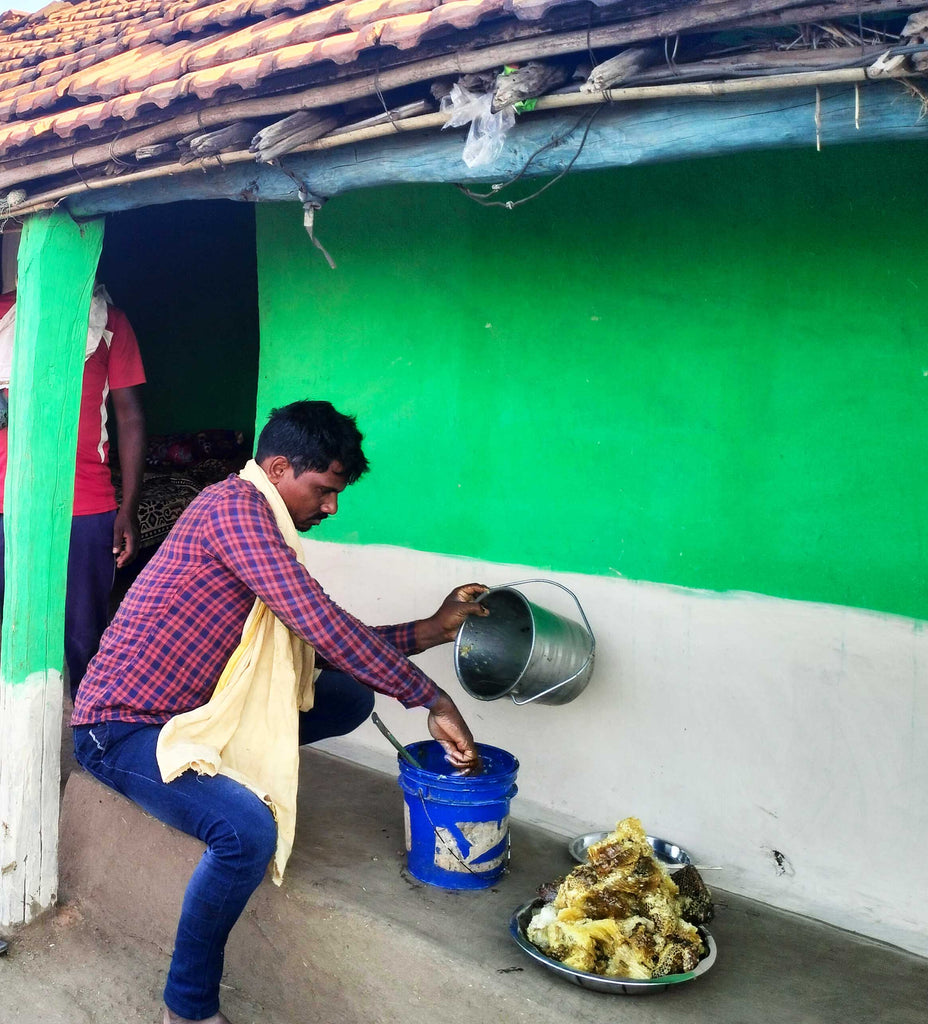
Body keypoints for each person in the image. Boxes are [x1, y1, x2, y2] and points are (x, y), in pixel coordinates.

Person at [71, 399, 488, 1024]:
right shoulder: (233, 509)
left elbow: (320, 633)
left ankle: (231, 763)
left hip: (198, 713)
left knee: (347, 695)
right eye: (323, 490)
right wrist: (430, 696)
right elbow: (317, 621)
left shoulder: (260, 519)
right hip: (121, 727)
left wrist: (430, 629)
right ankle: (185, 1011)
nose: (331, 508)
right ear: (280, 466)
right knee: (245, 833)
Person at [0, 283, 146, 701]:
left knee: (84, 634)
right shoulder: (4, 315)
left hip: (84, 503)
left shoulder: (108, 324)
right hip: (2, 500)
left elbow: (129, 417)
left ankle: (89, 730)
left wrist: (129, 508)